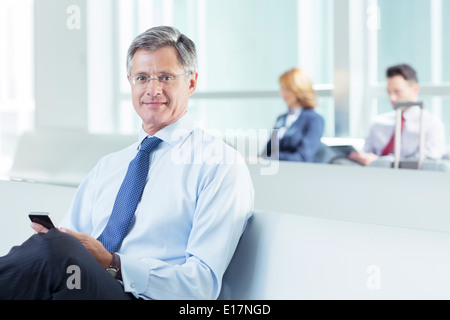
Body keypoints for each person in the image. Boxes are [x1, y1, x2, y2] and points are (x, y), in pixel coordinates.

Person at [0, 26, 254, 300]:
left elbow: (201, 286)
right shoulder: (110, 166)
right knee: (50, 247)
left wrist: (113, 264)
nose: (152, 89)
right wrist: (54, 240)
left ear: (191, 83)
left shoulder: (219, 165)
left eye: (165, 77)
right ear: (130, 83)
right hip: (84, 291)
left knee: (56, 253)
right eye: (142, 78)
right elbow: (65, 246)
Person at [349, 64, 447, 166]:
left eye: (397, 91)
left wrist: (379, 162)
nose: (392, 98)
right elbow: (366, 153)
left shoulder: (431, 125)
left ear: (415, 89)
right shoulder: (379, 122)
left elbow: (427, 163)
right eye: (389, 92)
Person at [263, 68, 324, 162]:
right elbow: (267, 151)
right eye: (282, 88)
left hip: (296, 172)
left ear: (300, 89)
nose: (284, 93)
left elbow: (304, 158)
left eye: (288, 88)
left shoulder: (314, 119)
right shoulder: (281, 118)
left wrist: (269, 158)